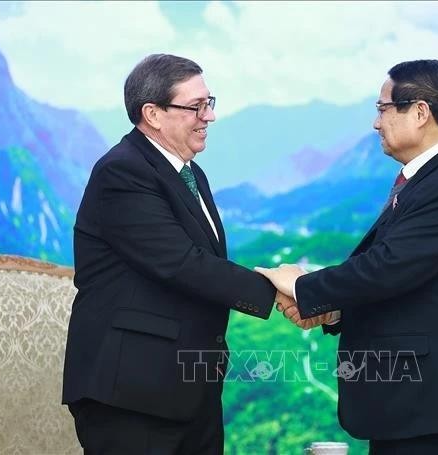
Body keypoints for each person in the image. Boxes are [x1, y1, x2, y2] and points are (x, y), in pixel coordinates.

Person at [257, 60, 438, 454]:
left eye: (383, 108)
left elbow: (387, 267)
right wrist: (334, 310)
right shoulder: (435, 175)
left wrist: (303, 287)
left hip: (435, 409)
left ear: (420, 112)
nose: (376, 123)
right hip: (415, 407)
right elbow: (409, 281)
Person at [62, 54, 287, 454]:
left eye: (209, 102)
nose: (209, 116)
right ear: (152, 114)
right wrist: (284, 290)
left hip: (189, 389)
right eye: (195, 106)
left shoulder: (190, 173)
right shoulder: (122, 171)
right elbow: (181, 264)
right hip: (132, 394)